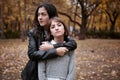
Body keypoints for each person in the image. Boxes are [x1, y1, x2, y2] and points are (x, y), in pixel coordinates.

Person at [21, 3, 77, 80]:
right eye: (38, 15)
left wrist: (53, 46)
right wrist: (55, 52)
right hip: (34, 73)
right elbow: (32, 54)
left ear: (51, 15)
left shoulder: (58, 31)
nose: (40, 17)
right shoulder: (33, 33)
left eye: (43, 14)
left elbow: (73, 44)